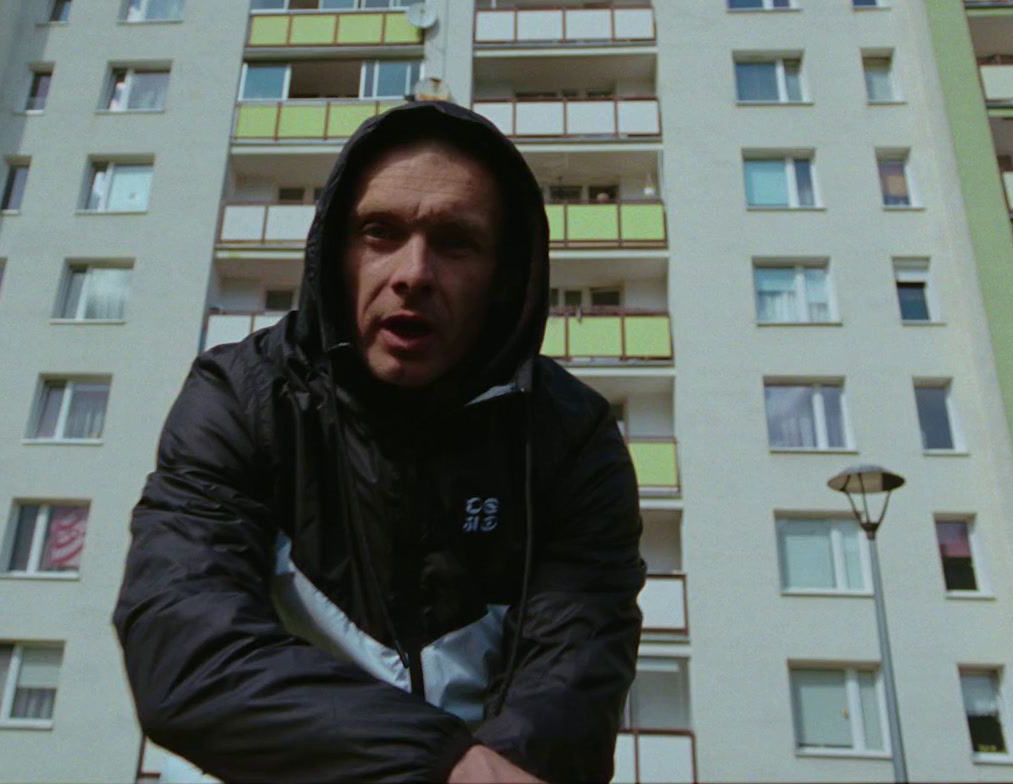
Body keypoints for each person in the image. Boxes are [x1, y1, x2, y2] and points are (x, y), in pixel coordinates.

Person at [112, 101, 645, 783]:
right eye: (379, 233)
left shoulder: (571, 438)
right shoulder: (241, 400)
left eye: (456, 242)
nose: (413, 273)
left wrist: (496, 769)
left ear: (504, 275)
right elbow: (185, 643)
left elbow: (577, 666)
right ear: (335, 253)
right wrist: (443, 765)